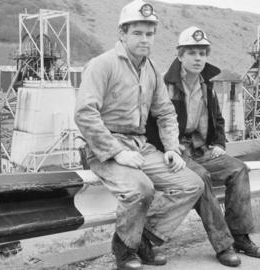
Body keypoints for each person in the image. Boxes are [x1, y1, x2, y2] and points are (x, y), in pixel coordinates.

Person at [74, 3, 204, 270]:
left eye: (149, 33)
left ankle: (141, 239)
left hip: (139, 145)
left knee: (191, 183)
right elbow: (85, 114)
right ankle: (125, 250)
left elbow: (166, 112)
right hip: (106, 148)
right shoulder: (102, 65)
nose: (145, 39)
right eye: (138, 33)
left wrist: (170, 148)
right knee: (141, 189)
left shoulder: (151, 70)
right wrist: (117, 152)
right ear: (123, 33)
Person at [146, 26, 260, 266]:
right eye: (192, 53)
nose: (198, 58)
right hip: (174, 151)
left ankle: (240, 237)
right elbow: (152, 123)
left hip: (200, 148)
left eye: (202, 53)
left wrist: (219, 143)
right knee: (201, 177)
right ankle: (223, 246)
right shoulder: (163, 84)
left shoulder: (206, 85)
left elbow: (218, 119)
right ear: (180, 55)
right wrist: (168, 149)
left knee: (238, 169)